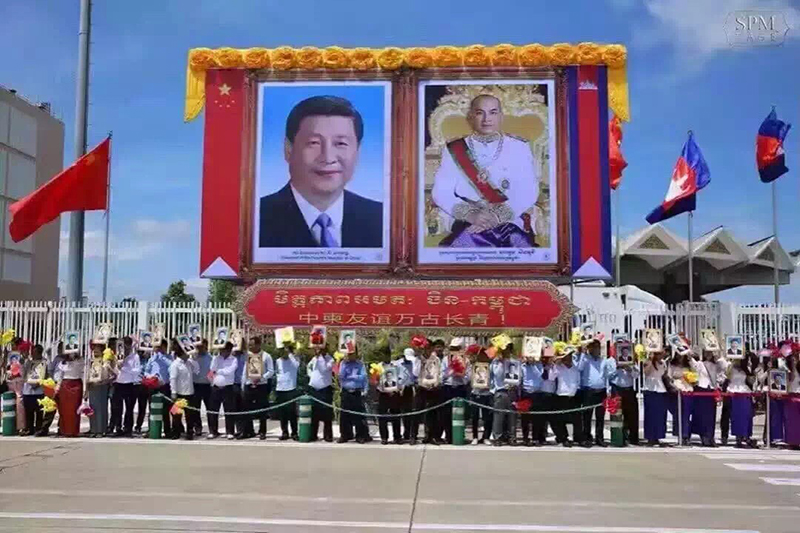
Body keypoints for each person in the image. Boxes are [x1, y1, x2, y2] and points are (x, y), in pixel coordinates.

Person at [258, 95, 383, 248]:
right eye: (314, 143)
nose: (328, 158)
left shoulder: (380, 218)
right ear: (288, 149)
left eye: (341, 143)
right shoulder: (255, 217)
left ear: (358, 150)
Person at [431, 94, 539, 248]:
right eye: (480, 113)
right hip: (468, 221)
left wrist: (497, 216)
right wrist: (471, 215)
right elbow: (441, 192)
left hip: (509, 220)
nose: (486, 119)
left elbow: (529, 191)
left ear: (501, 116)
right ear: (470, 117)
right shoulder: (454, 149)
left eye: (493, 112)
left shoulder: (519, 147)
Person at [578, 339, 614, 447]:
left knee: (600, 417)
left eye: (598, 347)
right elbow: (579, 368)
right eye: (593, 347)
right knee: (587, 416)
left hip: (601, 391)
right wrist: (583, 352)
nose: (596, 350)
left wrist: (608, 390)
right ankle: (587, 438)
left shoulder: (603, 361)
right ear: (590, 349)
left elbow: (606, 376)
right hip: (589, 391)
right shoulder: (585, 359)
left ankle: (599, 438)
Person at [241, 336, 275, 440]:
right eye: (249, 345)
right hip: (249, 384)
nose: (250, 347)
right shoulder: (248, 355)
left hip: (261, 385)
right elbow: (244, 371)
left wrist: (261, 378)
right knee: (246, 408)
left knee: (262, 409)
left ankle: (262, 431)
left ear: (258, 345)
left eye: (252, 345)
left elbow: (271, 371)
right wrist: (243, 384)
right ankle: (248, 431)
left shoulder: (266, 356)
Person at [690, 350, 726, 447]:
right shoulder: (700, 364)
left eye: (710, 352)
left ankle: (711, 436)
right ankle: (704, 437)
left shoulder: (716, 365)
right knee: (702, 415)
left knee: (711, 416)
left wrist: (719, 353)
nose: (709, 354)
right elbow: (693, 365)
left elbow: (723, 369)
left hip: (712, 390)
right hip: (702, 388)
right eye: (707, 353)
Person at [549, 346, 582, 447]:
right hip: (561, 396)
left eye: (570, 356)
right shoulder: (559, 368)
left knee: (577, 418)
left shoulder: (575, 368)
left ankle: (578, 438)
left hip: (573, 396)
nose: (569, 358)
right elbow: (551, 377)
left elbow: (578, 381)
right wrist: (555, 364)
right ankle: (563, 438)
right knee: (560, 419)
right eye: (567, 356)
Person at [440, 338, 470, 444]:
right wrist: (451, 371)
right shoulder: (445, 360)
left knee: (460, 413)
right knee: (447, 413)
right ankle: (449, 436)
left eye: (457, 348)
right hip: (448, 388)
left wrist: (460, 374)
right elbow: (441, 375)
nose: (454, 351)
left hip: (460, 388)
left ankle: (459, 435)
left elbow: (468, 377)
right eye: (452, 348)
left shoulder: (466, 360)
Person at [337, 349, 370, 443]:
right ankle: (345, 435)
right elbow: (341, 376)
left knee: (358, 415)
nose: (350, 356)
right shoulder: (343, 363)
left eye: (352, 354)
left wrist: (351, 377)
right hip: (346, 391)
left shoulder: (360, 364)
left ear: (356, 354)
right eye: (349, 354)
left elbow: (363, 377)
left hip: (356, 392)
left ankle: (360, 435)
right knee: (344, 415)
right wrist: (343, 363)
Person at [414, 341, 444, 445]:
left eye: (429, 348)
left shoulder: (436, 359)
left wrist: (437, 383)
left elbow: (440, 372)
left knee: (433, 413)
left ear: (431, 348)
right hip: (422, 388)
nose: (427, 350)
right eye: (425, 348)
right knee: (417, 412)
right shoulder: (418, 359)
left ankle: (432, 436)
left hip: (433, 388)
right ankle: (413, 436)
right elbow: (415, 373)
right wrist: (420, 361)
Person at [489, 344, 519, 447]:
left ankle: (512, 437)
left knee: (512, 416)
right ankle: (497, 437)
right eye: (503, 349)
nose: (505, 351)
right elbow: (495, 375)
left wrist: (515, 384)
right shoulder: (495, 362)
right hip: (500, 391)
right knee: (498, 416)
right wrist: (501, 362)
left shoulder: (514, 361)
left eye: (507, 349)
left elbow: (519, 376)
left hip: (512, 391)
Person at [111, 337, 142, 438]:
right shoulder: (117, 356)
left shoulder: (135, 356)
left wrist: (124, 368)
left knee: (129, 408)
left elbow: (137, 370)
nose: (125, 347)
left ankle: (128, 428)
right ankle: (118, 427)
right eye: (123, 345)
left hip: (130, 384)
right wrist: (116, 367)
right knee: (117, 408)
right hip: (119, 383)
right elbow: (114, 369)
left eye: (127, 345)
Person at [207, 342, 239, 440]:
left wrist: (218, 371)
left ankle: (230, 431)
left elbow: (230, 371)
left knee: (229, 410)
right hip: (216, 386)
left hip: (228, 387)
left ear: (229, 350)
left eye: (224, 349)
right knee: (213, 410)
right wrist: (213, 377)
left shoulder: (234, 360)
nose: (222, 351)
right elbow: (212, 369)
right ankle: (213, 431)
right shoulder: (216, 358)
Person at [52, 342, 84, 438]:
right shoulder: (63, 362)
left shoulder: (80, 361)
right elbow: (60, 375)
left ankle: (74, 431)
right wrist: (57, 387)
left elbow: (81, 370)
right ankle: (65, 430)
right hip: (65, 385)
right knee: (64, 410)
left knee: (74, 410)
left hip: (76, 385)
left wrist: (74, 357)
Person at [169, 340, 199, 440]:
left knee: (190, 415)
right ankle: (176, 432)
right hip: (180, 394)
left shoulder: (189, 363)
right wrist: (173, 392)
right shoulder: (175, 364)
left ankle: (190, 432)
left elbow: (197, 370)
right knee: (176, 414)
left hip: (190, 393)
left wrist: (194, 359)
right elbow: (173, 379)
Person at [377, 351, 408, 445]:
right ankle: (384, 437)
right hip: (383, 394)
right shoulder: (377, 366)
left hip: (394, 393)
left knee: (396, 416)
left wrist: (397, 386)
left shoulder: (397, 365)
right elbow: (374, 380)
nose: (385, 356)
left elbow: (404, 376)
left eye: (387, 354)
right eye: (383, 354)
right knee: (382, 416)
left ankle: (397, 437)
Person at [609, 353, 640, 446]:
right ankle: (618, 438)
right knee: (617, 415)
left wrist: (630, 368)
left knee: (631, 414)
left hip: (629, 389)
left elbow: (636, 375)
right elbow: (608, 376)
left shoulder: (631, 359)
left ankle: (632, 438)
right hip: (616, 389)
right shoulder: (610, 361)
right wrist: (617, 368)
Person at [144, 340, 172, 439]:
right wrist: (151, 377)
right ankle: (151, 429)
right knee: (152, 408)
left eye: (160, 347)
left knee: (165, 410)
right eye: (156, 347)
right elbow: (146, 371)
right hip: (153, 386)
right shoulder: (152, 359)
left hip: (164, 386)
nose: (158, 349)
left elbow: (171, 367)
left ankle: (167, 430)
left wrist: (162, 357)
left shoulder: (169, 358)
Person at [85, 342, 114, 437]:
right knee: (92, 409)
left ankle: (101, 430)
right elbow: (87, 375)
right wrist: (86, 390)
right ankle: (93, 429)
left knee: (101, 409)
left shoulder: (105, 361)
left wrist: (105, 380)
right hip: (92, 387)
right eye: (94, 351)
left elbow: (112, 375)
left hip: (102, 387)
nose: (95, 353)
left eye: (97, 351)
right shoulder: (91, 362)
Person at [727, 357, 757, 448]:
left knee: (747, 416)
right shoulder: (730, 367)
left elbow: (751, 381)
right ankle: (738, 438)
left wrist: (752, 373)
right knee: (737, 416)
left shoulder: (746, 368)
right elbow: (727, 376)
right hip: (735, 392)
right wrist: (732, 363)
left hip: (745, 391)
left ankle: (747, 436)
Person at [307, 346, 335, 442]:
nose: (317, 351)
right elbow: (309, 367)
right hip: (314, 389)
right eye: (316, 349)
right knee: (314, 414)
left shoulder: (330, 359)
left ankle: (328, 435)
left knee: (327, 413)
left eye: (319, 349)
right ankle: (313, 435)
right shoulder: (314, 359)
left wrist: (320, 357)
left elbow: (324, 369)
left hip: (325, 389)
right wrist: (311, 376)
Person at [274, 343, 301, 441]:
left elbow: (297, 365)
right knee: (282, 413)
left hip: (291, 388)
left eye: (285, 350)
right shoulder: (278, 361)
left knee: (292, 413)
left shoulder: (293, 360)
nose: (283, 352)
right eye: (281, 350)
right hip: (280, 389)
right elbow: (277, 373)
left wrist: (290, 352)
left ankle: (294, 432)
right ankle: (284, 432)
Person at [520, 349, 546, 447]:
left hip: (537, 393)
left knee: (537, 418)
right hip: (526, 393)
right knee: (525, 418)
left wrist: (533, 364)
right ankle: (525, 438)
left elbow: (539, 376)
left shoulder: (539, 365)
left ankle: (535, 438)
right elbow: (520, 379)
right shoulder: (522, 366)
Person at [643, 351, 669, 447]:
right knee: (650, 415)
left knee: (660, 415)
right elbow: (646, 372)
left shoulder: (663, 363)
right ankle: (650, 437)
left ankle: (658, 435)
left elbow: (665, 374)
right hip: (650, 389)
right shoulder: (648, 362)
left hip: (661, 389)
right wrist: (650, 359)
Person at [667, 353, 694, 445]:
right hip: (677, 391)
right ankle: (680, 434)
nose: (680, 356)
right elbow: (669, 378)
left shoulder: (689, 365)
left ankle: (686, 435)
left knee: (686, 415)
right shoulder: (672, 365)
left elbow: (695, 375)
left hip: (687, 390)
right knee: (678, 415)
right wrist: (673, 387)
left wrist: (691, 360)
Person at [469, 346, 493, 445]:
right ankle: (475, 437)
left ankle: (486, 437)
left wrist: (488, 384)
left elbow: (493, 379)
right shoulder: (474, 366)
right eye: (481, 355)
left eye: (485, 355)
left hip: (487, 394)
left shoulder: (490, 366)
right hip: (476, 393)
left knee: (487, 417)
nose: (483, 357)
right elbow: (469, 378)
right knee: (474, 416)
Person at [21, 344, 47, 436]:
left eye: (35, 352)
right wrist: (24, 361)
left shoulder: (44, 362)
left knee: (39, 411)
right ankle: (29, 428)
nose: (33, 354)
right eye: (32, 352)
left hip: (39, 391)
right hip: (28, 391)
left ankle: (39, 428)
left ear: (39, 353)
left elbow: (44, 375)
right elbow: (23, 373)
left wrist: (38, 382)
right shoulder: (29, 362)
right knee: (28, 412)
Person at [191, 339, 214, 437]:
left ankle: (212, 429)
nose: (199, 349)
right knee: (195, 408)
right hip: (196, 385)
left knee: (210, 408)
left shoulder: (211, 358)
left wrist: (210, 378)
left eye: (202, 346)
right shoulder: (193, 358)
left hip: (207, 385)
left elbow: (213, 370)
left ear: (206, 346)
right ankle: (198, 428)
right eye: (198, 347)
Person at [394, 347, 417, 442]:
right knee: (400, 412)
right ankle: (401, 435)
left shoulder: (415, 363)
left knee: (410, 412)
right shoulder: (397, 364)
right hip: (400, 389)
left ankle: (410, 434)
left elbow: (416, 376)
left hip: (411, 388)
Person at [783, 352, 800, 450]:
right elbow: (792, 377)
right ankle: (793, 441)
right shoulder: (789, 371)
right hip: (793, 396)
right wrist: (793, 365)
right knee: (793, 421)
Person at [134, 347, 151, 434]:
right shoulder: (136, 360)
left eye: (142, 352)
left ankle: (151, 426)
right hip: (140, 385)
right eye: (139, 352)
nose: (141, 353)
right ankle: (138, 426)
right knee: (141, 407)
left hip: (149, 385)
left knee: (151, 407)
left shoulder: (149, 360)